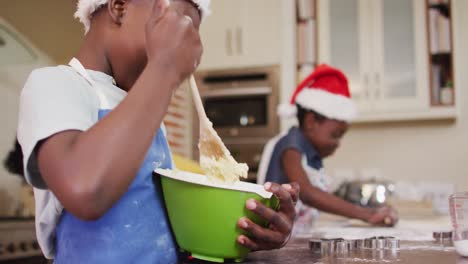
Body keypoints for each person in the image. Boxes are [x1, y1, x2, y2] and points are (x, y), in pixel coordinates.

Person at [17, 0, 299, 263]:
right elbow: (85, 189)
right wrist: (163, 66)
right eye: (176, 28)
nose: (186, 52)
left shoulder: (142, 111)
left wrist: (248, 228)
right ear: (119, 7)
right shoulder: (56, 85)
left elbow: (164, 234)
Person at [257, 64, 397, 235]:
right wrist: (366, 214)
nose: (338, 143)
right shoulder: (291, 146)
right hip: (275, 239)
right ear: (311, 122)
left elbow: (323, 193)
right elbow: (307, 192)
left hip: (293, 237)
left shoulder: (309, 153)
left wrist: (373, 208)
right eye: (335, 135)